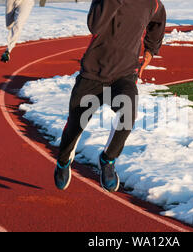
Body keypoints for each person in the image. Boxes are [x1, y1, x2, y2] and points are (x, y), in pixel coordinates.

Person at [54, 0, 166, 192]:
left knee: (128, 113)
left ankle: (108, 159)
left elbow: (159, 19)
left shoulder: (150, 3)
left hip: (124, 76)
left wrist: (150, 50)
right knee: (74, 125)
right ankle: (64, 161)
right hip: (92, 75)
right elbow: (94, 25)